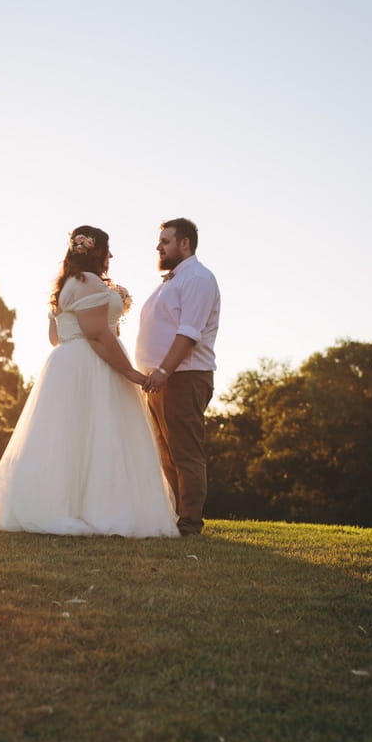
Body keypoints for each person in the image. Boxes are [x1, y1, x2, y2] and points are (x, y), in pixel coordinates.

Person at [0, 225, 179, 538]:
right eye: (107, 249)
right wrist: (134, 375)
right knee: (101, 434)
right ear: (96, 251)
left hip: (65, 365)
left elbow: (56, 337)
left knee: (70, 438)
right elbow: (97, 335)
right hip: (91, 366)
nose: (111, 256)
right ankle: (101, 510)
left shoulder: (67, 284)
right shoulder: (90, 282)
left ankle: (70, 505)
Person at [135, 218, 220, 536]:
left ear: (185, 243)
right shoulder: (170, 282)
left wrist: (163, 371)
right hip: (160, 379)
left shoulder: (198, 278)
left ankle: (189, 524)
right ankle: (172, 517)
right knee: (166, 452)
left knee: (185, 451)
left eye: (165, 241)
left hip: (184, 376)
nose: (159, 247)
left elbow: (188, 334)